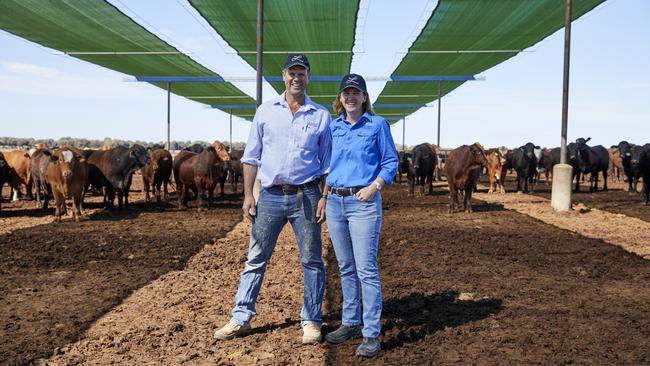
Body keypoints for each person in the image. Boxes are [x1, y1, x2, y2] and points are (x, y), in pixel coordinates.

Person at [213, 54, 332, 344]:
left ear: (308, 77)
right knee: (256, 257)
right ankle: (241, 317)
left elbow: (328, 163)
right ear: (283, 76)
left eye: (301, 73)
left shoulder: (321, 115)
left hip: (307, 193)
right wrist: (247, 197)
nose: (296, 78)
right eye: (292, 73)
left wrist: (325, 197)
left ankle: (312, 321)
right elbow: (251, 157)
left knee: (312, 260)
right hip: (270, 196)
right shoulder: (266, 111)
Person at [322, 74, 398, 357]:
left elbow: (390, 160)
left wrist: (375, 185)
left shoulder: (377, 125)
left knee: (366, 269)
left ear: (365, 97)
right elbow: (329, 165)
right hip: (335, 202)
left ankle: (370, 334)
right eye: (346, 93)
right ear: (340, 99)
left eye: (356, 93)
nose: (351, 97)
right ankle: (351, 322)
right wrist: (324, 195)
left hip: (363, 202)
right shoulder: (334, 127)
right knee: (345, 267)